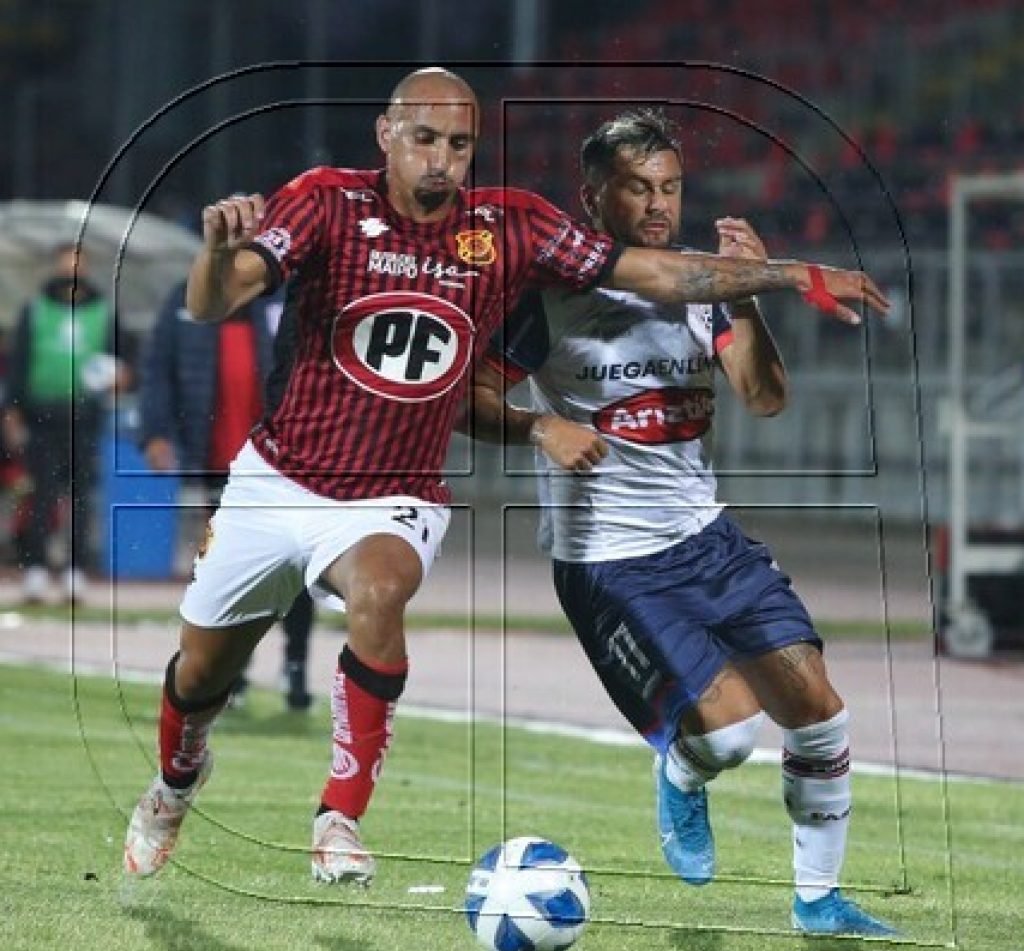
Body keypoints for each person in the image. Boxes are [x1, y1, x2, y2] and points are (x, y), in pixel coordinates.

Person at [122, 68, 889, 887]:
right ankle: (176, 781)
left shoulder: (512, 228)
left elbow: (664, 279)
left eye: (459, 144)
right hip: (281, 479)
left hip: (397, 492)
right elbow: (214, 302)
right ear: (386, 133)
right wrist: (214, 254)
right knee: (201, 675)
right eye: (425, 139)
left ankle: (338, 816)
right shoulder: (323, 200)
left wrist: (791, 275)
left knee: (381, 595)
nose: (442, 160)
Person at [468, 109, 896, 936]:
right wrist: (537, 425)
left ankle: (819, 903)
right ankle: (683, 775)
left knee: (821, 713)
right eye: (638, 189)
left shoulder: (708, 292)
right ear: (595, 199)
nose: (659, 205)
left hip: (709, 539)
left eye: (670, 187)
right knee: (730, 737)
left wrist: (760, 293)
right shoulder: (550, 298)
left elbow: (765, 399)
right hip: (611, 560)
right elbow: (468, 401)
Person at [140, 279, 314, 711]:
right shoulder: (188, 297)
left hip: (289, 460)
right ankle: (233, 670)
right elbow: (158, 367)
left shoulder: (285, 295)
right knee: (234, 572)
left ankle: (295, 665)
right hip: (220, 460)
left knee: (300, 566)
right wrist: (154, 432)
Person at [1, 244, 126, 604]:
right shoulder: (36, 310)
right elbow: (19, 362)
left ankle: (75, 572)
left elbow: (122, 360)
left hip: (85, 416)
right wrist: (12, 410)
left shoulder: (103, 312)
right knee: (42, 495)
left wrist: (121, 378)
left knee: (82, 497)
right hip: (43, 415)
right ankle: (36, 570)